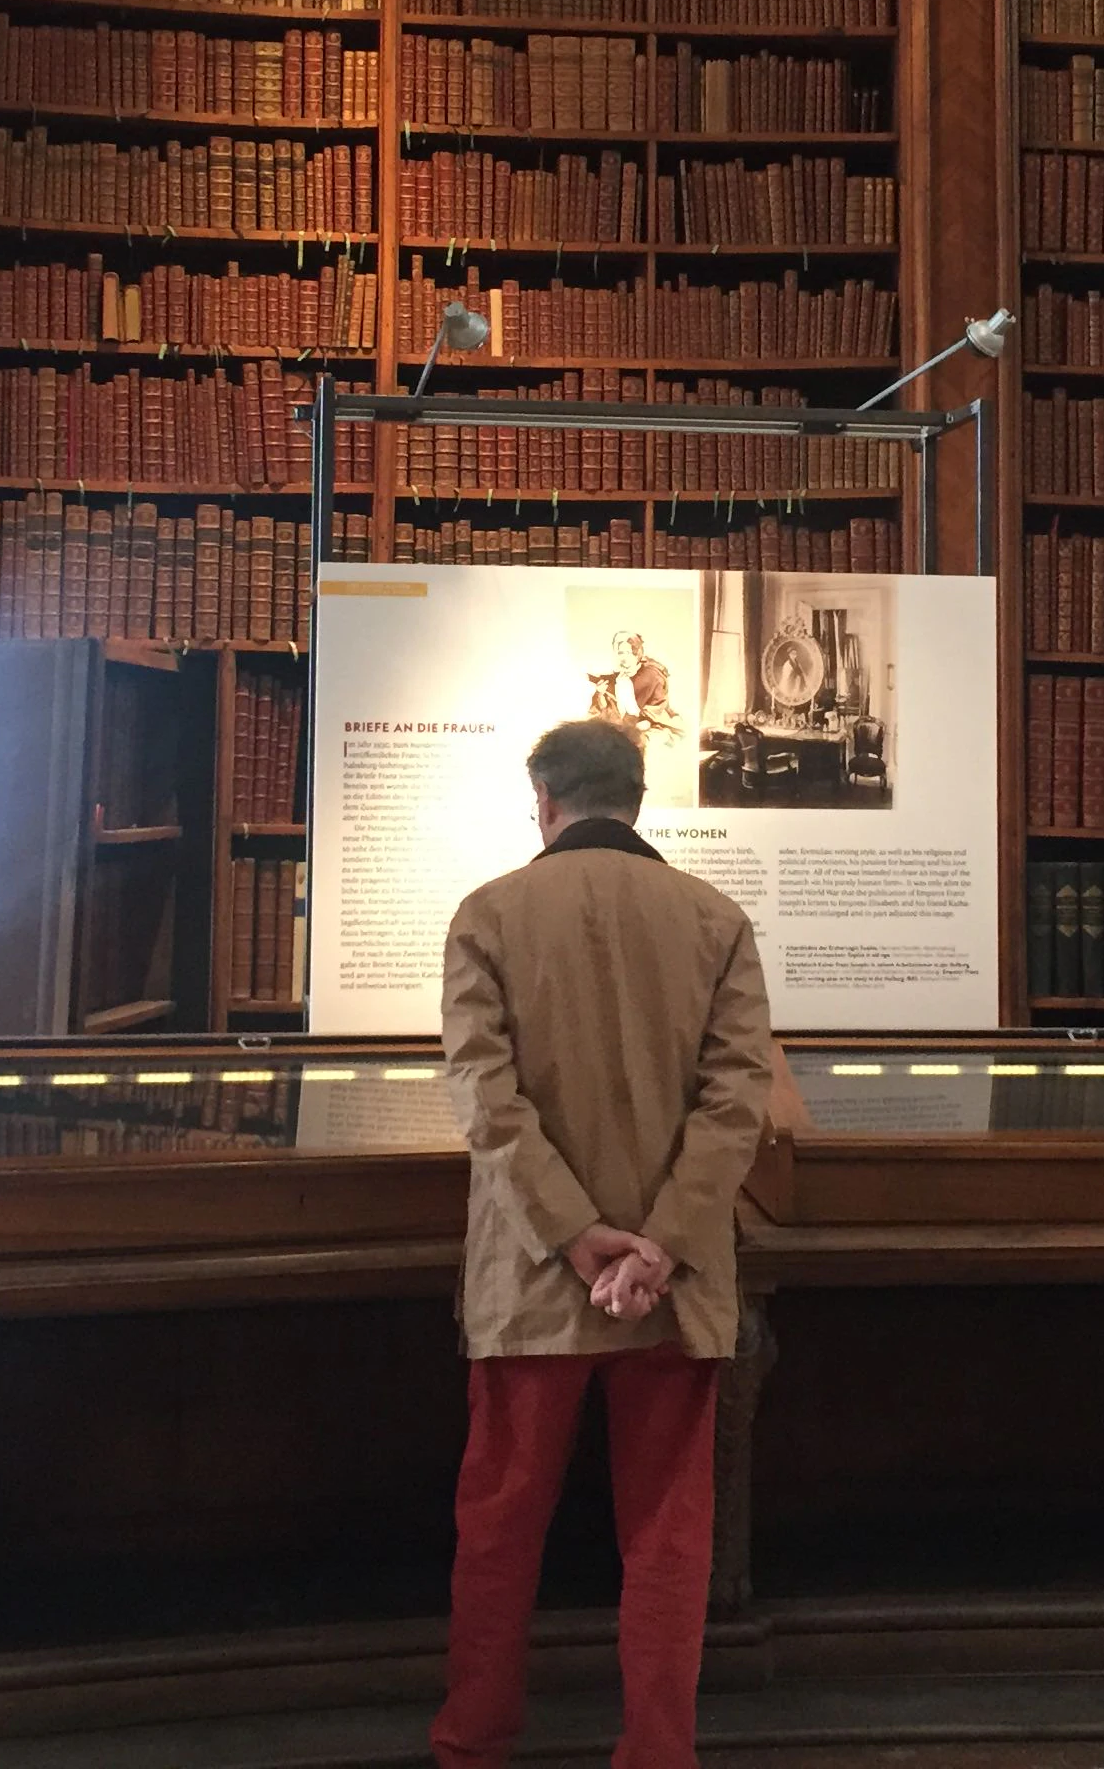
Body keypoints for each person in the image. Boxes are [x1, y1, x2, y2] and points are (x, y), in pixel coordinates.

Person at [435, 716, 773, 1769]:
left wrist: (578, 1238)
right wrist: (658, 1247)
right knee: (670, 1538)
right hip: (673, 1290)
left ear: (543, 800)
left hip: (535, 1280)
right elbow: (737, 1107)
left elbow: (486, 1102)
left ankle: (476, 1740)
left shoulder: (488, 916)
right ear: (636, 796)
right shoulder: (715, 920)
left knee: (500, 1527)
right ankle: (658, 1751)